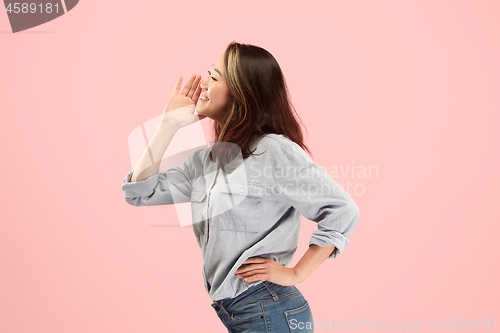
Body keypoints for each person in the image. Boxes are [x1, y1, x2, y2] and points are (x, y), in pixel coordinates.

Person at [121, 41, 360, 332]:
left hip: (268, 308)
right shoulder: (207, 161)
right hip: (240, 312)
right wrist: (168, 125)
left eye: (214, 76)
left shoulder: (272, 150)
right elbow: (140, 192)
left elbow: (343, 210)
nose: (204, 84)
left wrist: (297, 273)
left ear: (241, 93)